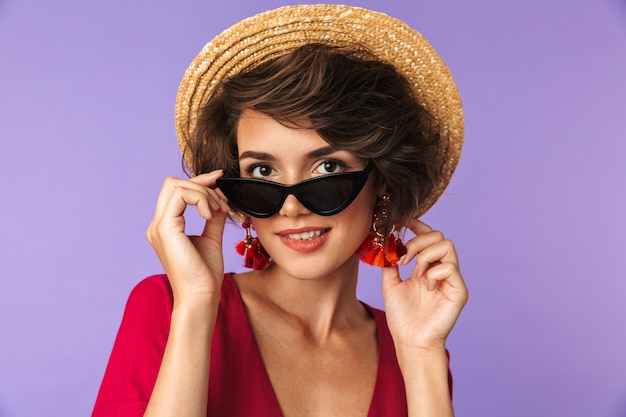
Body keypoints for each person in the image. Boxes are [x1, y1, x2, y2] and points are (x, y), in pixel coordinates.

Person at [91, 4, 468, 417]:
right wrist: (197, 304)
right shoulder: (166, 306)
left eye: (328, 167)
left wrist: (422, 351)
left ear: (384, 183)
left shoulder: (412, 343)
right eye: (263, 171)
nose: (291, 206)